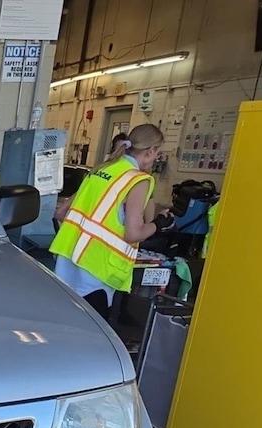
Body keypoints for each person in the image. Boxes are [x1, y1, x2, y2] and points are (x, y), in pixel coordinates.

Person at [50, 124, 175, 317]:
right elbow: (133, 233)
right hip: (96, 273)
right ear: (151, 151)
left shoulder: (101, 169)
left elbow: (61, 213)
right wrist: (159, 224)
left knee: (60, 324)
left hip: (66, 262)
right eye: (157, 153)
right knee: (91, 333)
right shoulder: (137, 180)